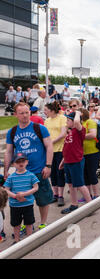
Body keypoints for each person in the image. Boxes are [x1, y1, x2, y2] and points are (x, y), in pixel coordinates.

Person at [4, 102, 54, 230]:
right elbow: (9, 152)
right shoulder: (12, 132)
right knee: (21, 200)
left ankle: (43, 222)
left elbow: (49, 146)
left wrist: (48, 165)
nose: (25, 115)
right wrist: (6, 171)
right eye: (21, 113)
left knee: (43, 199)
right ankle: (23, 225)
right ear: (15, 115)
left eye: (27, 112)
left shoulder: (40, 128)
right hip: (21, 172)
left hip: (39, 170)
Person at [59, 111, 91, 214]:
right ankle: (74, 204)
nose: (66, 122)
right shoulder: (70, 132)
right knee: (71, 184)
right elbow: (67, 148)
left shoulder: (79, 130)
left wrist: (77, 113)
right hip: (68, 161)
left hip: (76, 161)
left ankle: (91, 206)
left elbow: (77, 121)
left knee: (80, 184)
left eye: (68, 120)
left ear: (74, 121)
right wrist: (63, 161)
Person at [3, 153, 39, 243]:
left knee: (29, 222)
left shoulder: (31, 175)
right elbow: (6, 189)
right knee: (16, 224)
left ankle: (29, 240)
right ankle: (16, 239)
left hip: (28, 203)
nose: (20, 163)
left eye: (23, 161)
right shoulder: (11, 177)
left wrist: (24, 193)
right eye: (18, 161)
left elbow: (36, 187)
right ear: (13, 164)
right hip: (15, 205)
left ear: (27, 162)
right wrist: (15, 196)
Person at [44, 102, 67, 207]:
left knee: (60, 172)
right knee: (52, 172)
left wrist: (51, 142)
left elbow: (63, 134)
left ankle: (61, 195)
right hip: (50, 151)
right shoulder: (46, 121)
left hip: (60, 149)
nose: (44, 112)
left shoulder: (62, 118)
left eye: (46, 110)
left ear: (52, 110)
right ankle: (55, 194)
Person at [80, 108, 100, 201]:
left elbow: (93, 134)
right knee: (85, 175)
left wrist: (81, 136)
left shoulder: (90, 122)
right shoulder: (81, 124)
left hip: (92, 151)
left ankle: (96, 195)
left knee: (92, 173)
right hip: (83, 152)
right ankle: (88, 195)